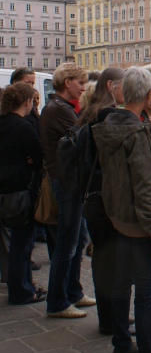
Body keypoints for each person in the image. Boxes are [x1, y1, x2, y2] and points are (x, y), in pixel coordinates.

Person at [92, 67, 151, 353]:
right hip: (138, 225)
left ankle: (121, 346)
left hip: (115, 217)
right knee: (145, 292)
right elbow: (144, 188)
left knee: (119, 286)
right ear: (146, 95)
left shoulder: (109, 122)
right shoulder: (138, 131)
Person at [39, 63, 94, 319]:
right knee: (67, 244)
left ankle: (73, 291)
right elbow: (83, 138)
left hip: (70, 181)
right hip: (66, 182)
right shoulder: (58, 110)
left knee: (78, 239)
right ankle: (58, 302)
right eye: (79, 83)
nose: (82, 88)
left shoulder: (59, 107)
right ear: (67, 81)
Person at [76, 68, 127, 336]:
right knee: (112, 260)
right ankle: (111, 320)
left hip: (92, 194)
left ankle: (109, 316)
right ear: (110, 85)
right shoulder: (107, 114)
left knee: (103, 259)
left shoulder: (89, 110)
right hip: (106, 195)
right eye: (122, 85)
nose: (125, 90)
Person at [0, 83, 45, 305]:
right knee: (21, 244)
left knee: (16, 243)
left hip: (5, 190)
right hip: (20, 191)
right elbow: (40, 155)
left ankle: (24, 287)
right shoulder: (24, 126)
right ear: (27, 102)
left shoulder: (3, 123)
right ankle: (22, 291)